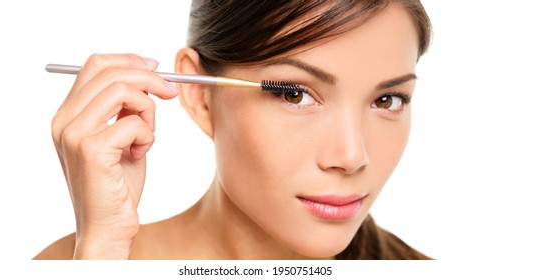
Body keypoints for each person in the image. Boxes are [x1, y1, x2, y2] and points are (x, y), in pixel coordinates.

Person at [35, 0, 432, 260]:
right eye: (294, 95)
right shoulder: (76, 262)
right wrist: (102, 251)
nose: (351, 157)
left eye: (388, 100)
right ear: (200, 95)